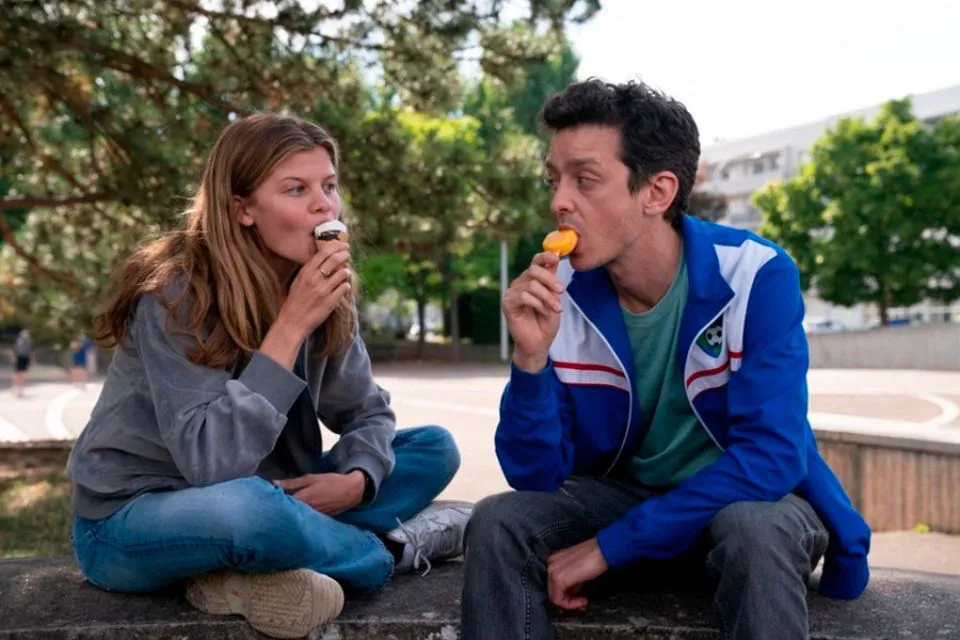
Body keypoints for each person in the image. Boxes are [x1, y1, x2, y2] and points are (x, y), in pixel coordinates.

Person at [461, 79, 871, 640]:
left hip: (745, 504)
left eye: (585, 180)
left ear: (656, 192)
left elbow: (772, 458)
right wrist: (530, 362)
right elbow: (535, 476)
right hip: (625, 497)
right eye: (554, 179)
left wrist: (610, 548)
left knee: (755, 527)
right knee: (496, 521)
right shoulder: (562, 292)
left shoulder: (755, 275)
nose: (559, 200)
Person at [66, 113, 472, 640]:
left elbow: (367, 413)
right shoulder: (175, 294)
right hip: (132, 518)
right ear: (243, 210)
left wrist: (356, 480)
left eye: (328, 186)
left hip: (274, 495)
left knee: (434, 448)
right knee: (251, 512)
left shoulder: (325, 291)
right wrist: (290, 325)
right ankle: (388, 551)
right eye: (296, 189)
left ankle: (243, 573)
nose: (324, 204)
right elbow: (211, 465)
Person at [13, 329, 31, 397]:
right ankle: (16, 387)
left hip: (25, 359)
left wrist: (31, 360)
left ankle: (20, 389)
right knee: (18, 374)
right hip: (19, 358)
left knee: (23, 374)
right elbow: (15, 350)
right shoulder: (19, 341)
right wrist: (14, 357)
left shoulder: (28, 342)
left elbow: (30, 351)